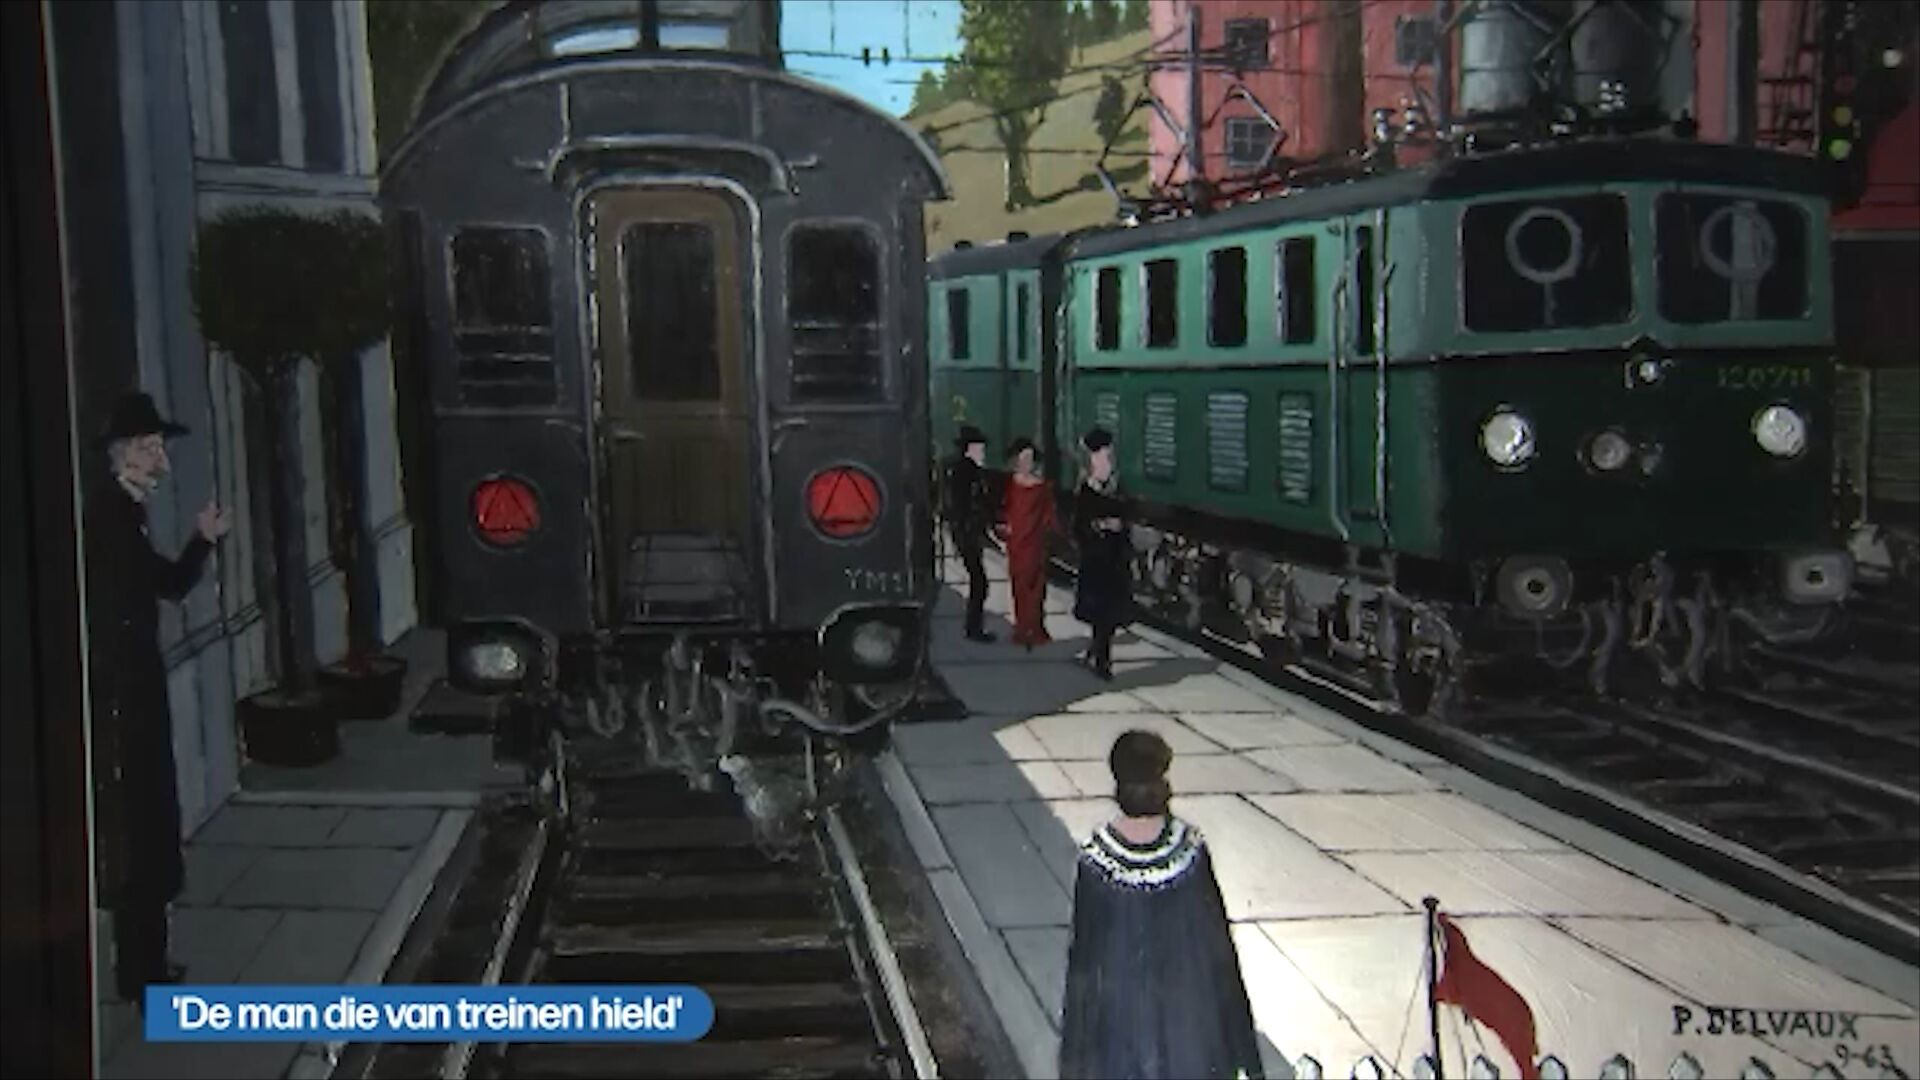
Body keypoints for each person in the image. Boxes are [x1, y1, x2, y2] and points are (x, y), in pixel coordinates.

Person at [84, 392, 231, 1010]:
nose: (162, 463)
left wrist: (202, 540)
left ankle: (143, 965)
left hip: (134, 690)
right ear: (125, 454)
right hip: (127, 696)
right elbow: (158, 587)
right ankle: (141, 972)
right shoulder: (113, 518)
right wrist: (202, 541)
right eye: (152, 450)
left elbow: (163, 584)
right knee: (141, 828)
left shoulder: (124, 513)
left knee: (147, 826)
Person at [1059, 731, 1264, 1080]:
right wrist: (1246, 1055)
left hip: (1118, 1039)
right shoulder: (1189, 851)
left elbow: (1083, 968)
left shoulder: (1095, 859)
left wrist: (1072, 1063)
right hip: (1189, 1036)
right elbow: (1220, 958)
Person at [1072, 428, 1131, 681]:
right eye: (1103, 456)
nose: (1107, 461)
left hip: (1114, 561)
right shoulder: (1086, 490)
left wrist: (1121, 526)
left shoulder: (1117, 487)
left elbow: (1127, 515)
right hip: (1096, 560)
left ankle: (1096, 652)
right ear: (1093, 459)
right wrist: (1102, 526)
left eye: (1109, 455)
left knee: (1110, 615)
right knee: (1101, 615)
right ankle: (1101, 662)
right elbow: (1078, 527)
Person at [997, 437, 1056, 650]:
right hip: (1018, 543)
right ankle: (1024, 627)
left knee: (1036, 587)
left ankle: (1033, 627)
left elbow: (1049, 515)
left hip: (1034, 542)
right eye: (1023, 458)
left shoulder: (1042, 487)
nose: (1027, 463)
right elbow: (1004, 510)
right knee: (1020, 585)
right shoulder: (1010, 486)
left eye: (1030, 458)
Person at [942, 425, 997, 643]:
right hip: (967, 533)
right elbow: (967, 503)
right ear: (969, 449)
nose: (982, 452)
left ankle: (974, 626)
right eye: (979, 448)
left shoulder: (962, 469)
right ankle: (973, 628)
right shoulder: (967, 472)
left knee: (979, 581)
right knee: (979, 582)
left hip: (966, 532)